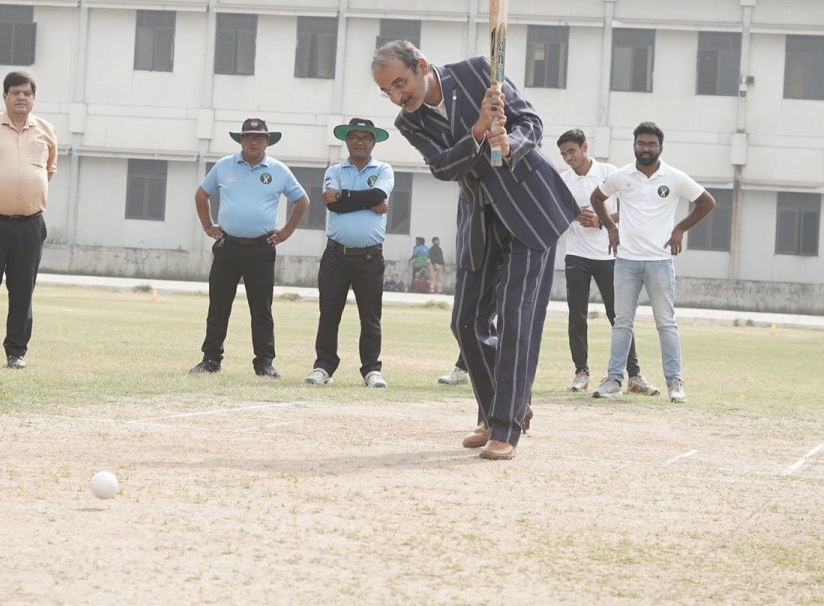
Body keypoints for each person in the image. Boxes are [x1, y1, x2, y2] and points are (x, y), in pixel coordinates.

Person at [372, 40, 577, 460]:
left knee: (517, 318)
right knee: (466, 322)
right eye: (387, 92)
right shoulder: (408, 122)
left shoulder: (479, 71)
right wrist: (478, 132)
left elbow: (532, 124)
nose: (397, 96)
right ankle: (498, 409)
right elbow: (445, 166)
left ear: (422, 65)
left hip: (529, 207)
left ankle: (505, 428)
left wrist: (509, 142)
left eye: (399, 83)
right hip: (479, 220)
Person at [589, 122, 715, 404]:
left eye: (651, 144)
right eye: (641, 143)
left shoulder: (673, 177)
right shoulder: (622, 176)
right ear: (634, 145)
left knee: (666, 323)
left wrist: (680, 229)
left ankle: (675, 383)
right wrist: (610, 226)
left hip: (659, 262)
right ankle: (613, 380)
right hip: (626, 262)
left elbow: (707, 202)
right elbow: (597, 197)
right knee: (622, 322)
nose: (646, 148)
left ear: (660, 147)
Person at [191, 118, 309, 378]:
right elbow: (201, 195)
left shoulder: (278, 170)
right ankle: (211, 359)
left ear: (267, 141)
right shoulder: (224, 166)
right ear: (241, 140)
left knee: (261, 309)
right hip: (227, 246)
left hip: (261, 248)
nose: (253, 142)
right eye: (248, 137)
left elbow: (301, 200)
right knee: (218, 306)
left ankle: (264, 363)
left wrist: (286, 231)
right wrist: (208, 225)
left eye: (259, 137)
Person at [556, 129, 658, 396]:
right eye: (564, 154)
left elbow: (630, 209)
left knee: (619, 317)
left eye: (572, 151)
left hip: (609, 255)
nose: (568, 158)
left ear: (585, 147)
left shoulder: (609, 172)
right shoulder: (562, 180)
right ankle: (581, 372)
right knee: (577, 315)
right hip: (576, 255)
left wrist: (600, 220)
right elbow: (554, 213)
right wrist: (573, 215)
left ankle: (634, 375)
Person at [0, 71, 57, 369]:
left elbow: (48, 170)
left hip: (30, 224)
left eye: (27, 93)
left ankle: (16, 352)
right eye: (15, 92)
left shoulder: (46, 130)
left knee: (22, 291)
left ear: (33, 97)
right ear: (4, 96)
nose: (22, 98)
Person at [305, 118, 394, 388]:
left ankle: (371, 370)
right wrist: (369, 202)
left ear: (373, 142)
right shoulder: (334, 169)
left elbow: (377, 193)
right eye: (354, 136)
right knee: (329, 313)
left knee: (370, 317)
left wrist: (343, 196)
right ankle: (323, 367)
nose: (359, 141)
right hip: (336, 256)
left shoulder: (383, 169)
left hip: (370, 257)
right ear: (346, 141)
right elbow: (334, 207)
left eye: (365, 137)